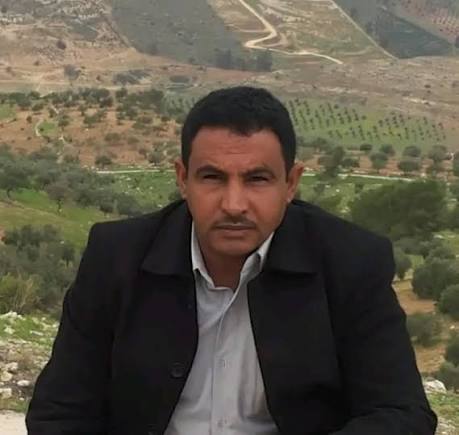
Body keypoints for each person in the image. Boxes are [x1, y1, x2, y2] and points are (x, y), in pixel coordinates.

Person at [26, 86, 437, 435]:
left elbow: (401, 414)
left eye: (257, 179)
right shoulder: (117, 257)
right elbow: (59, 412)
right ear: (182, 179)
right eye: (213, 178)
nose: (234, 204)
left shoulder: (350, 262)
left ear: (291, 183)